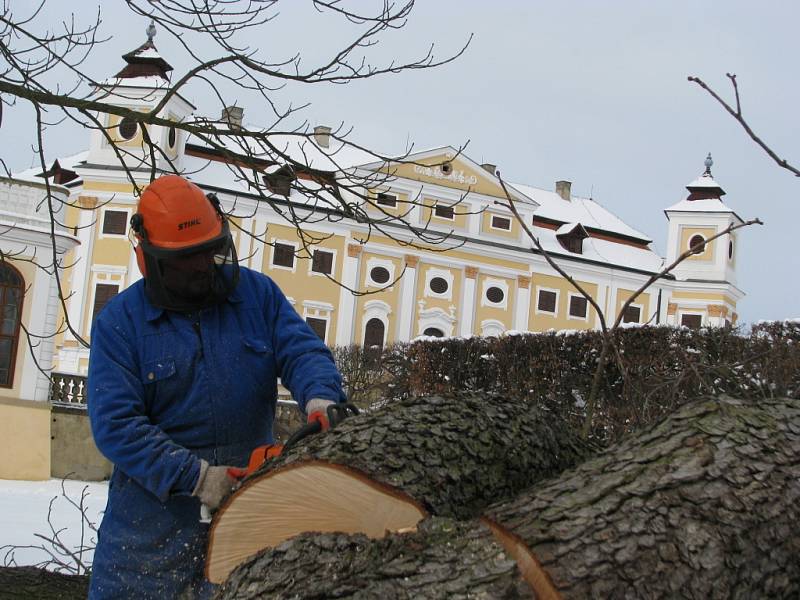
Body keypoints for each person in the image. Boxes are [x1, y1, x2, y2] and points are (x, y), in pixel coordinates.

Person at [87, 175, 346, 599]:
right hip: (147, 538)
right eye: (185, 262)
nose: (201, 271)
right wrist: (197, 477)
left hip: (247, 515)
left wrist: (321, 397)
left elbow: (301, 350)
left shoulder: (257, 296)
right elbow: (116, 425)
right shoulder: (120, 323)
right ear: (149, 259)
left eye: (207, 255)